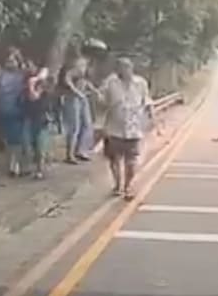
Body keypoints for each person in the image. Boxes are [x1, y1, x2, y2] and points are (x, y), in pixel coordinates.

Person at [100, 57, 152, 200]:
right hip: (114, 127)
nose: (125, 70)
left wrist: (151, 119)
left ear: (132, 68)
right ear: (117, 70)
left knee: (131, 161)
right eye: (121, 68)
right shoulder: (110, 84)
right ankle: (117, 185)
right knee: (114, 159)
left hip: (134, 127)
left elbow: (146, 101)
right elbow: (102, 102)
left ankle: (128, 186)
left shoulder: (141, 83)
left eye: (127, 67)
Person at [0, 47, 26, 177]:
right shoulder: (0, 73)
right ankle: (12, 162)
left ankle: (14, 164)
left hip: (18, 108)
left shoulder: (23, 74)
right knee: (8, 139)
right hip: (3, 108)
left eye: (13, 60)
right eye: (8, 61)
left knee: (16, 138)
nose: (10, 63)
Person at [61, 56, 97, 164]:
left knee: (87, 124)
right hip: (72, 98)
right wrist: (76, 92)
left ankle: (80, 150)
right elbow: (67, 78)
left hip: (82, 97)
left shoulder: (88, 65)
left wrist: (95, 90)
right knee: (74, 126)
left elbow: (85, 81)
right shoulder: (80, 63)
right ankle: (69, 154)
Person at [21, 59, 51, 180]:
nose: (27, 68)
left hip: (41, 119)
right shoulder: (25, 82)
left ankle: (40, 169)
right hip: (29, 117)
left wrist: (33, 83)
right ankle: (29, 167)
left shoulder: (43, 83)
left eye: (29, 65)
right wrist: (30, 83)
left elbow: (35, 96)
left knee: (40, 146)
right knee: (27, 144)